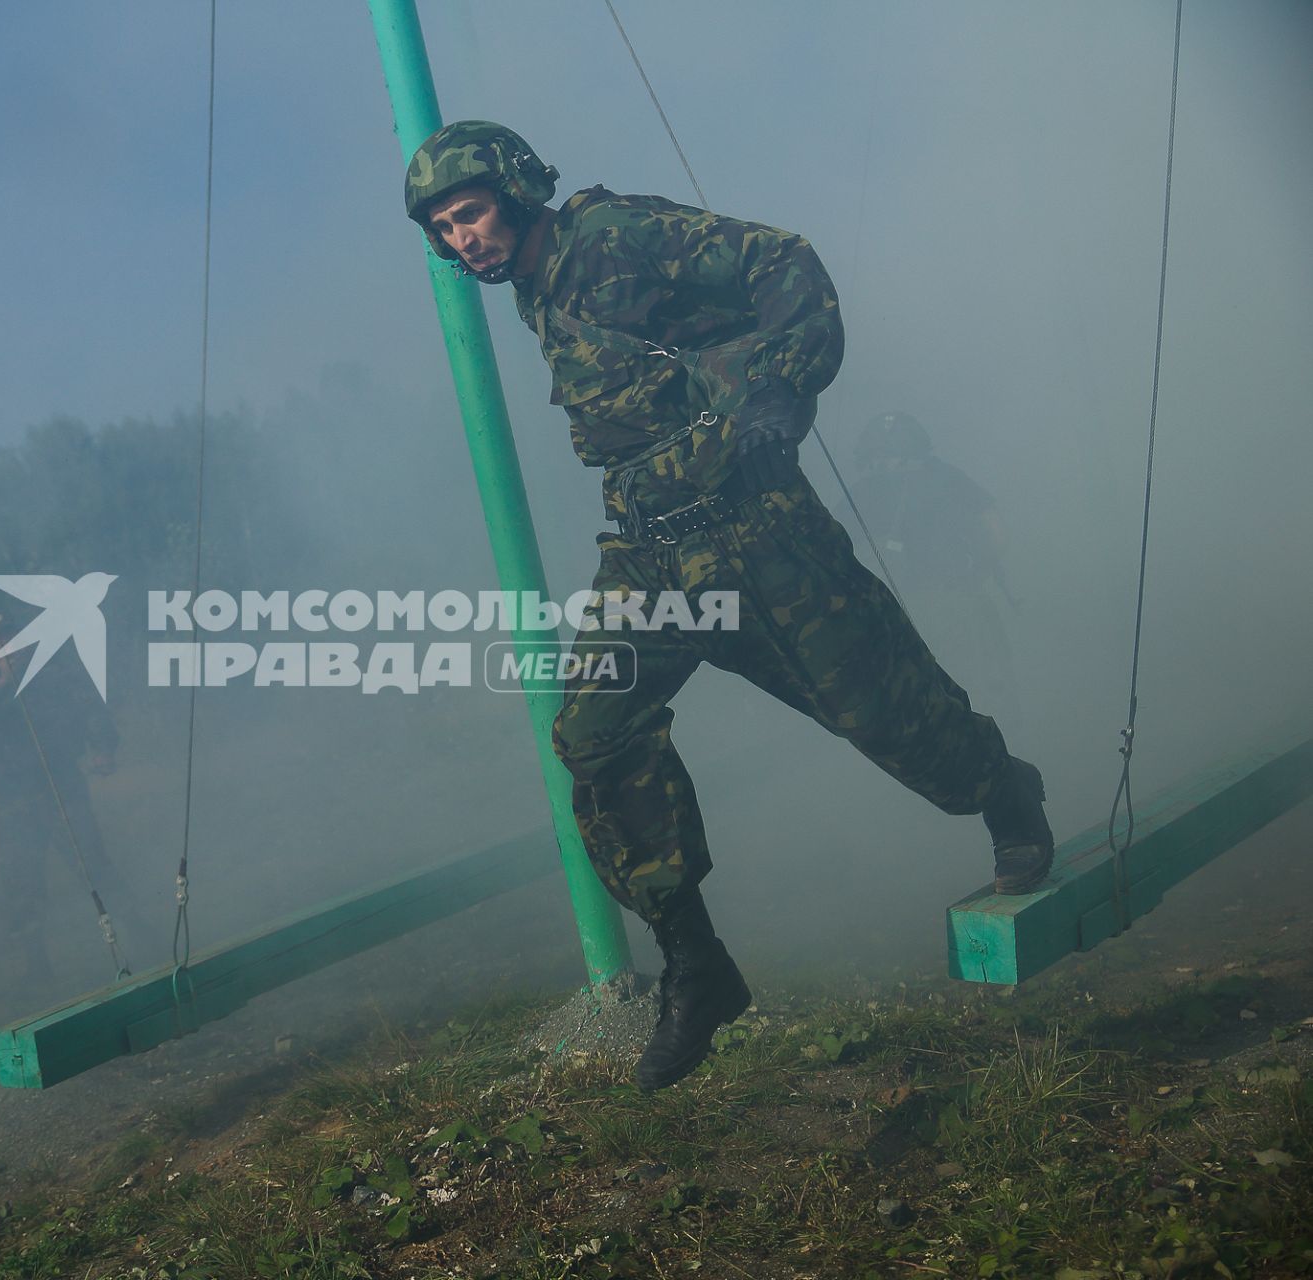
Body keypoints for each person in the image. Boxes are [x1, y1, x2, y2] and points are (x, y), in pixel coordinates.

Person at [402, 122, 1056, 1092]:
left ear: (516, 188)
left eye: (471, 212)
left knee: (878, 709)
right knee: (593, 730)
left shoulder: (612, 232)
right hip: (648, 550)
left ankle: (1002, 789)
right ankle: (696, 964)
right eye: (443, 228)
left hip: (754, 526)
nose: (462, 240)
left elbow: (781, 261)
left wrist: (778, 390)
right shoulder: (536, 291)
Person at [0, 615, 133, 973]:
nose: (8, 641)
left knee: (94, 866)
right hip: (15, 794)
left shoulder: (51, 670)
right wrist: (4, 681)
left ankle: (143, 940)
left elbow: (90, 707)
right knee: (22, 881)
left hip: (61, 785)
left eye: (12, 632)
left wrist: (103, 748)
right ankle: (36, 967)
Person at [847, 412, 1018, 719]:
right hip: (959, 601)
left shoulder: (862, 492)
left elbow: (840, 553)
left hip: (894, 618)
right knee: (988, 693)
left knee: (918, 706)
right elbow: (996, 531)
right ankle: (1001, 756)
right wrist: (976, 575)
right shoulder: (947, 476)